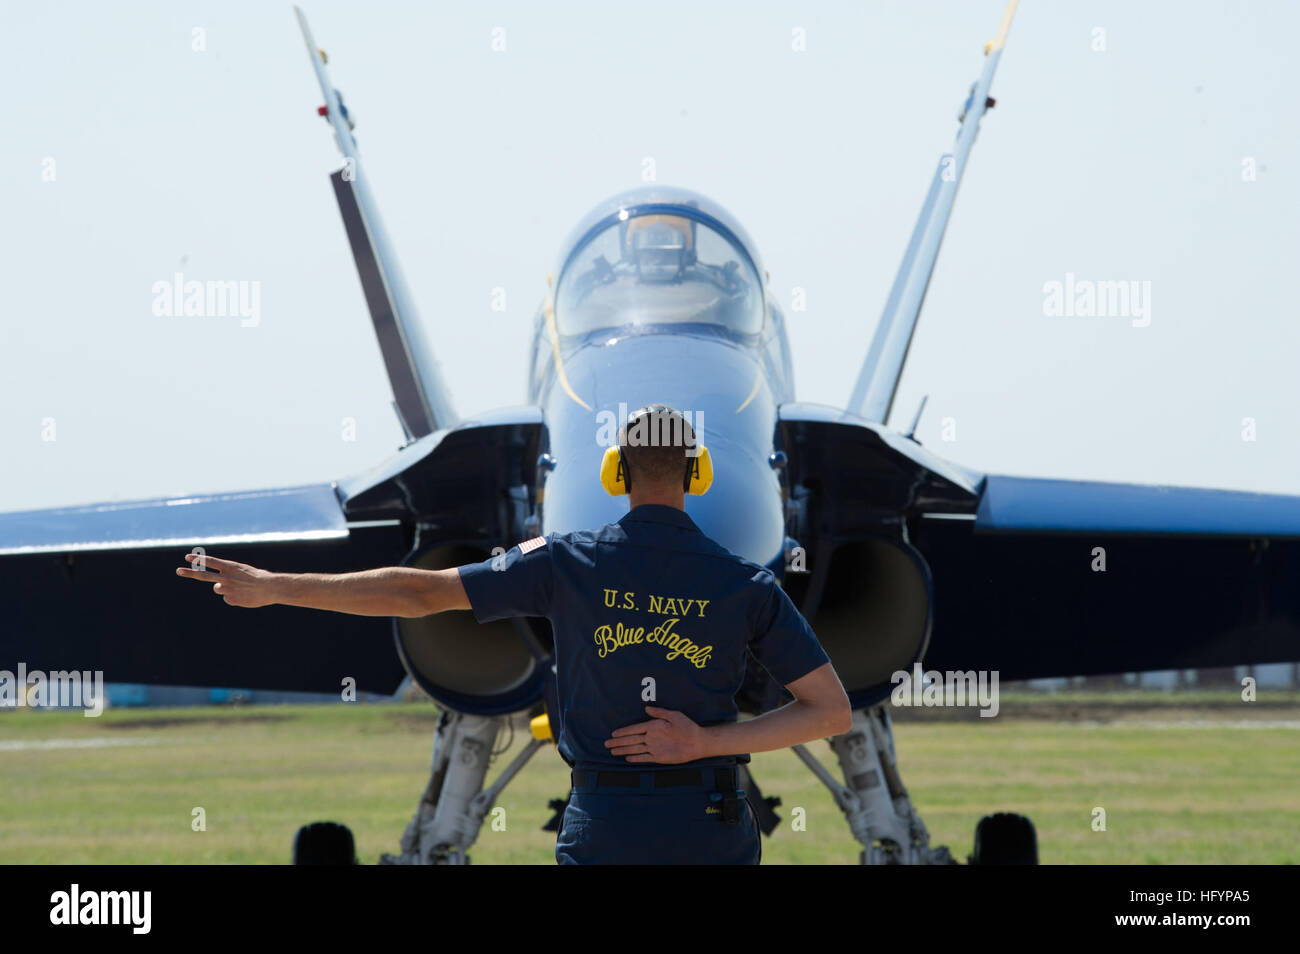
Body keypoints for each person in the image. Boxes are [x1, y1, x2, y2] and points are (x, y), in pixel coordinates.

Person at [176, 404, 851, 865]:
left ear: (615, 471)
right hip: (710, 827)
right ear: (695, 473)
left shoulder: (562, 560)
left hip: (605, 828)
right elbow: (831, 710)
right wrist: (707, 742)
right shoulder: (746, 584)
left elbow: (419, 591)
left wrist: (278, 586)